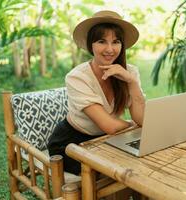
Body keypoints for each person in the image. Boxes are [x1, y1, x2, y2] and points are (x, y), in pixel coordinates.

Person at [48, 10, 145, 175]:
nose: (110, 49)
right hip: (72, 143)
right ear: (90, 45)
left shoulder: (130, 73)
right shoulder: (77, 77)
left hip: (109, 139)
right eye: (102, 41)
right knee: (113, 172)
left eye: (116, 42)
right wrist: (131, 126)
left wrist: (132, 82)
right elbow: (110, 126)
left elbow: (141, 119)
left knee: (141, 163)